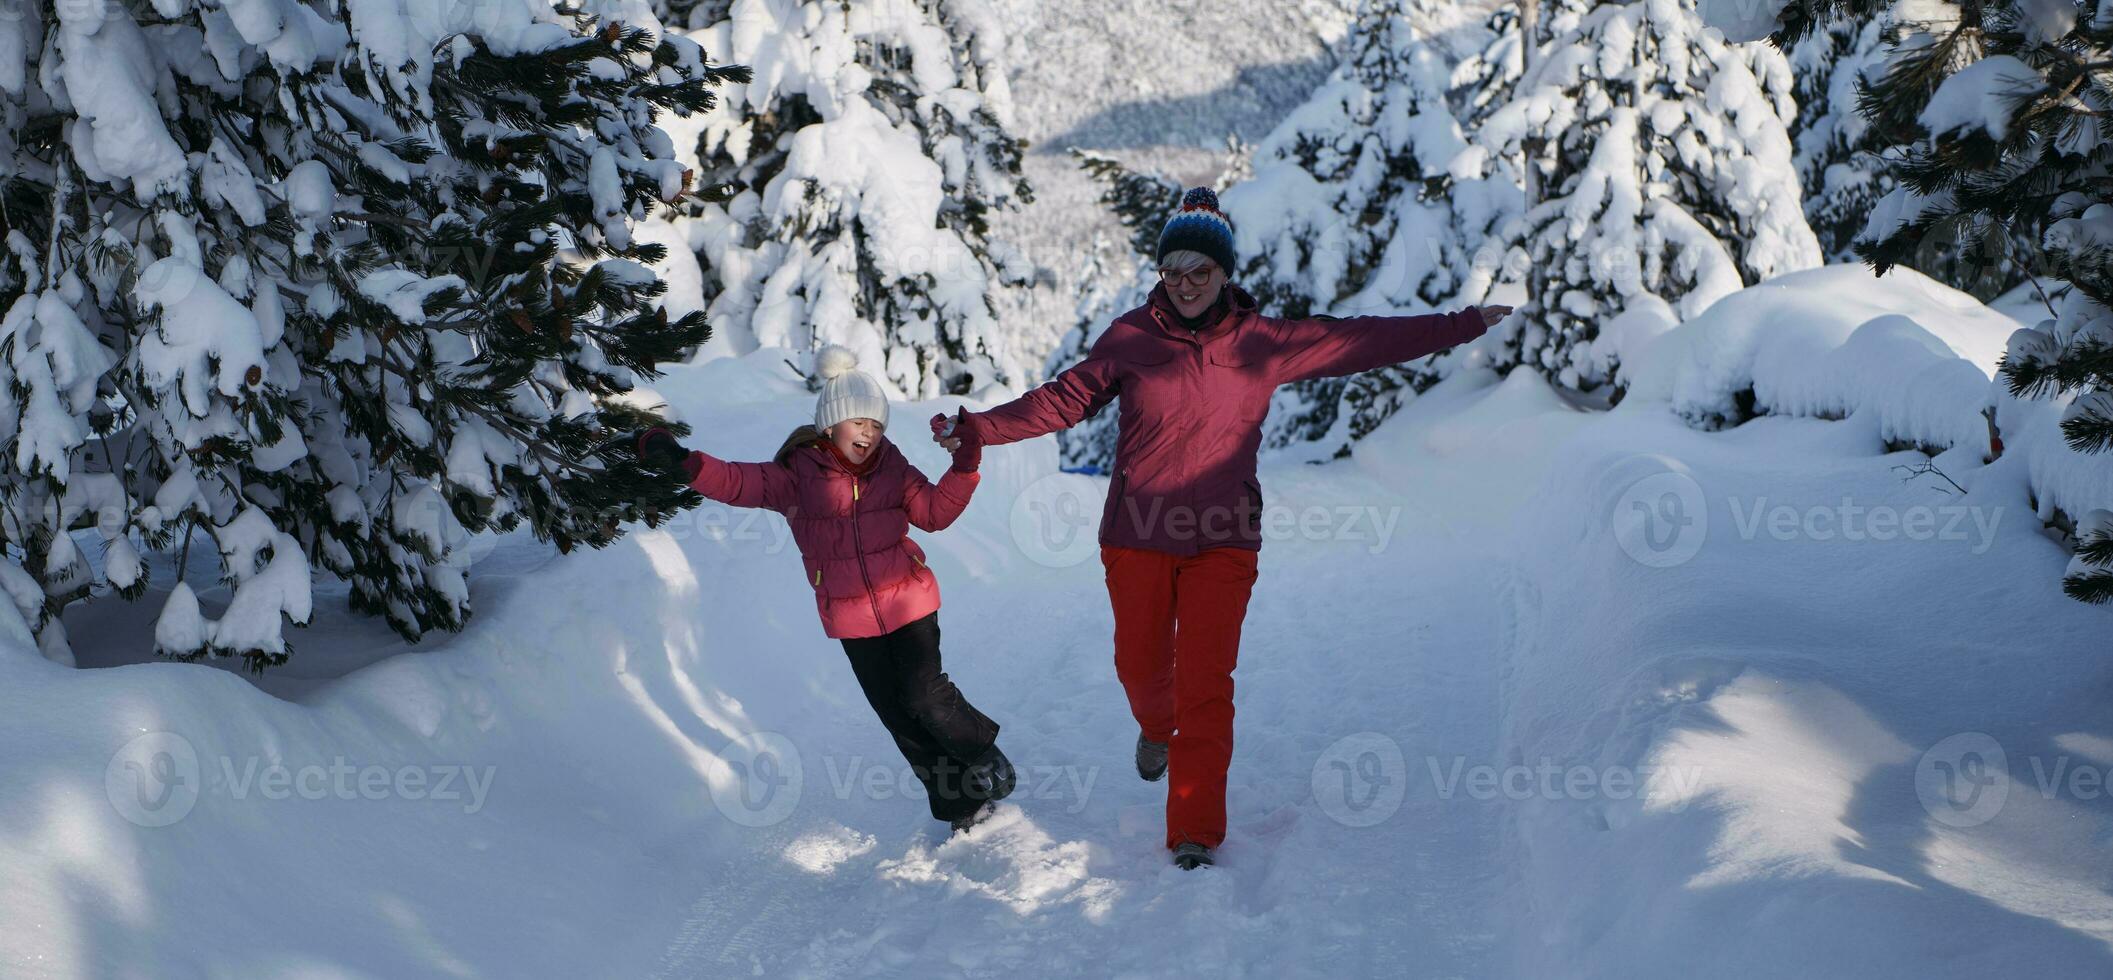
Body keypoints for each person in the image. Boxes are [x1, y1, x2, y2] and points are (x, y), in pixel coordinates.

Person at [934, 187, 1512, 869]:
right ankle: (1155, 727)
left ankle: (1194, 831)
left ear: (1225, 273)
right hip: (1136, 533)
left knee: (1207, 685)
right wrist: (979, 427)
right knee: (1140, 671)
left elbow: (1363, 340)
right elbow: (1061, 401)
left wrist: (1462, 323)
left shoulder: (1264, 344)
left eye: (1199, 271)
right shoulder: (1130, 338)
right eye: (1171, 272)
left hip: (1223, 540)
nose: (1183, 285)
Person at [642, 345, 1016, 834]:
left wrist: (964, 468)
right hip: (851, 618)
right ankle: (962, 808)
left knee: (924, 694)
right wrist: (687, 463)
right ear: (831, 423)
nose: (869, 432)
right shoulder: (796, 477)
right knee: (899, 718)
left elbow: (934, 514)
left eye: (877, 425)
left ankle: (981, 751)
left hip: (909, 599)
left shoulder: (893, 468)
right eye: (858, 421)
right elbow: (738, 481)